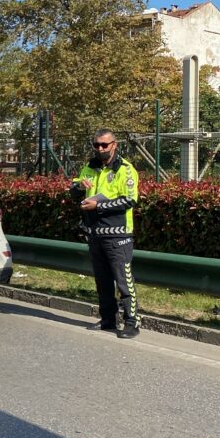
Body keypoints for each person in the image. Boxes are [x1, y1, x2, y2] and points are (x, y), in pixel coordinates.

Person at [70, 128, 141, 339]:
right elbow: (74, 193)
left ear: (114, 145)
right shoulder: (88, 168)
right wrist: (78, 188)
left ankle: (132, 323)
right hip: (94, 233)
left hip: (118, 234)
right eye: (96, 145)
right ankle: (108, 320)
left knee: (123, 280)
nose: (100, 149)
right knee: (102, 281)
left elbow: (130, 200)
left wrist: (98, 206)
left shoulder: (126, 169)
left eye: (104, 145)